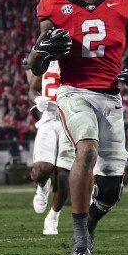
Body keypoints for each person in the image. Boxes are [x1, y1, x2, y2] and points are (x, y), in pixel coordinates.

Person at [27, 0, 128, 255]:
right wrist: (42, 50)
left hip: (111, 97)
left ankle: (89, 223)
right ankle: (80, 238)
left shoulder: (125, 3)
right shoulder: (54, 4)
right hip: (74, 92)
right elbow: (36, 67)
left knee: (110, 191)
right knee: (87, 150)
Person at [29, 60, 74, 235]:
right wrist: (38, 99)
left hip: (70, 121)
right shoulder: (45, 60)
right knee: (41, 170)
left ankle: (53, 217)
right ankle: (42, 187)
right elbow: (32, 90)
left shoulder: (80, 61)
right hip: (48, 119)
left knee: (63, 174)